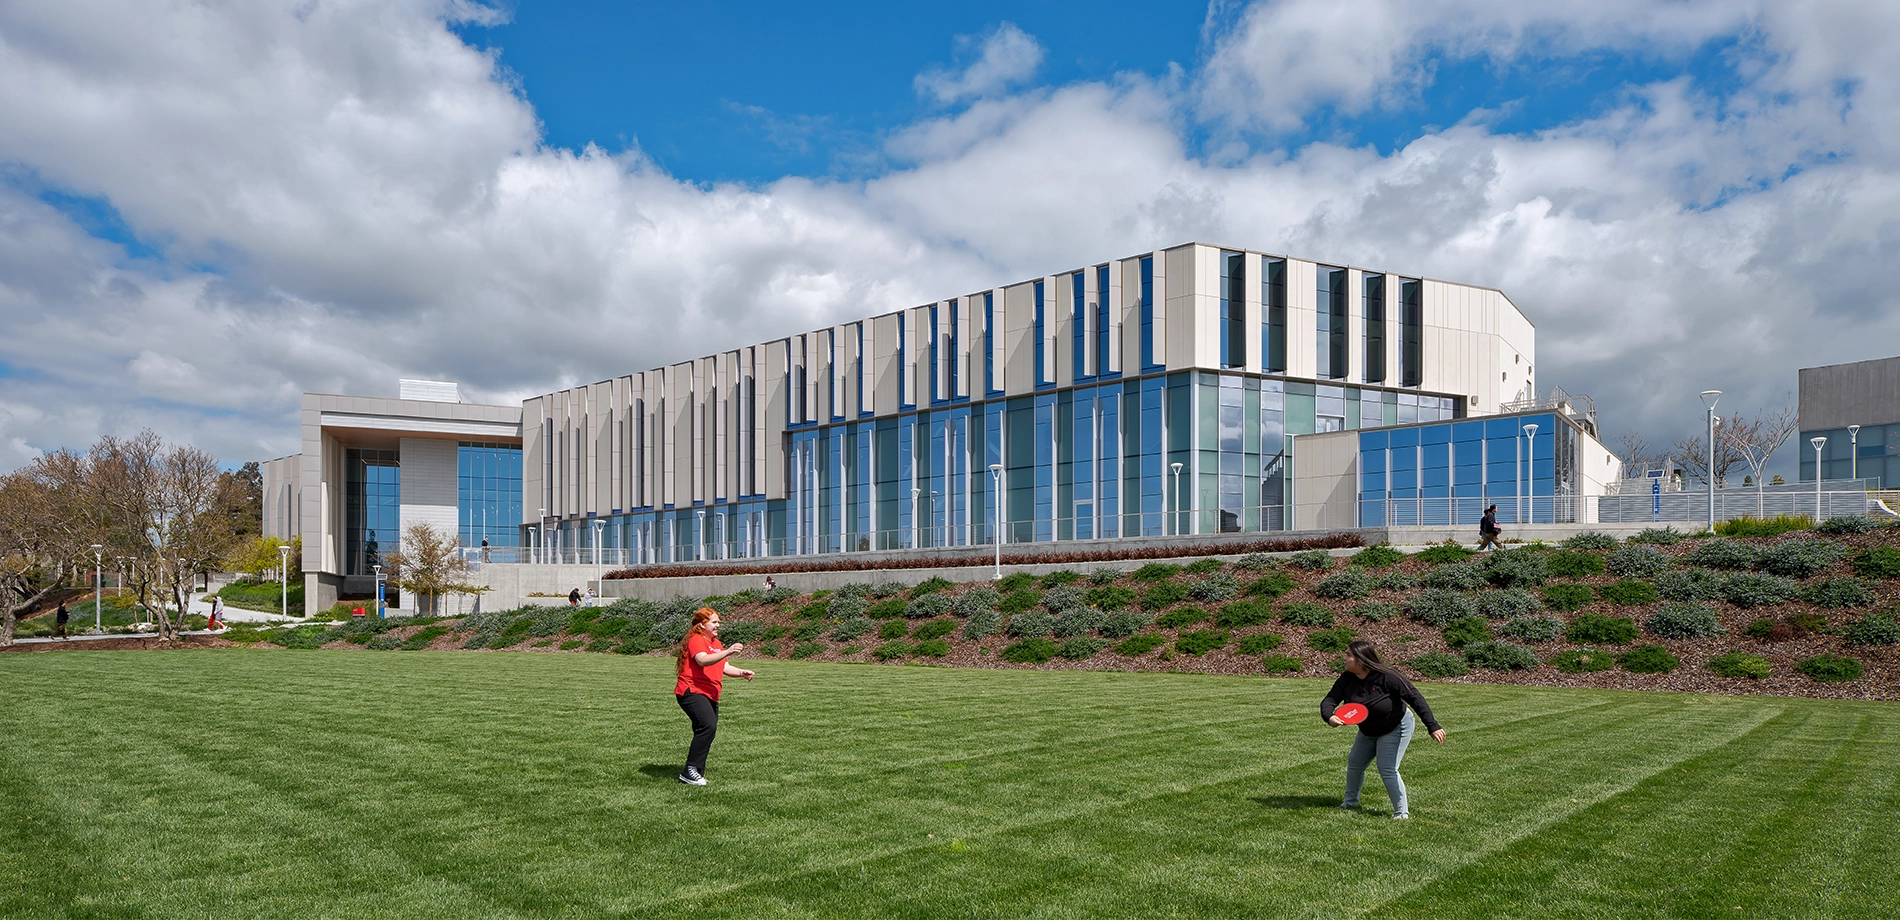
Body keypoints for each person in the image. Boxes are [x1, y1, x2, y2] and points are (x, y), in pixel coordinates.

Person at [1320, 640, 1446, 820]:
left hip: (1395, 726)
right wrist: (1329, 717)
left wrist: (1432, 725)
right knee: (1355, 763)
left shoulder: (1388, 676)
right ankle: (1350, 803)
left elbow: (1414, 697)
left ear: (1361, 660)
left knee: (1387, 768)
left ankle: (1401, 813)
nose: (1344, 658)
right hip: (1368, 730)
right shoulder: (1347, 678)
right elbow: (1329, 700)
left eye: (1348, 655)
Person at [674, 606, 755, 786]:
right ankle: (690, 770)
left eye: (719, 622)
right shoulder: (696, 640)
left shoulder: (716, 643)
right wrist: (728, 651)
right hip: (692, 691)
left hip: (710, 693)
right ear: (702, 625)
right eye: (714, 622)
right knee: (707, 726)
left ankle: (696, 771)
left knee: (707, 730)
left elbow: (724, 667)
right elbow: (702, 660)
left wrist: (742, 672)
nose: (718, 625)